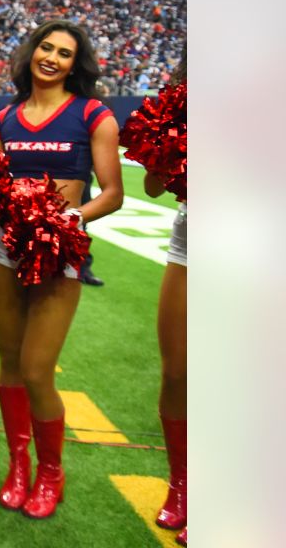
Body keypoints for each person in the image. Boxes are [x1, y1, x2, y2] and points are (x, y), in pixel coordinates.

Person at [0, 18, 123, 520]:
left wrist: (63, 217)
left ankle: (50, 472)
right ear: (32, 53)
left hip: (59, 250)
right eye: (46, 47)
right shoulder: (4, 117)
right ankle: (17, 465)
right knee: (8, 362)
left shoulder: (93, 113)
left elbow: (112, 193)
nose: (53, 58)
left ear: (74, 64)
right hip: (3, 248)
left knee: (38, 368)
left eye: (65, 53)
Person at [147, 66, 187, 546]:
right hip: (189, 237)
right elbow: (154, 188)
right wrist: (168, 140)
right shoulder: (179, 105)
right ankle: (181, 486)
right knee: (176, 371)